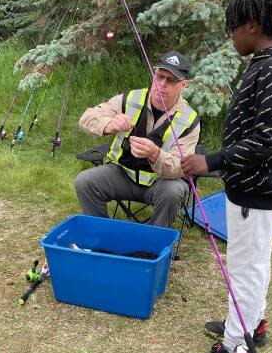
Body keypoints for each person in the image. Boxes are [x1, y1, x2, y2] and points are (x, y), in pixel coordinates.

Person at [181, 0, 272, 353]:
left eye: (233, 28)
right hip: (252, 187)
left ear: (252, 26)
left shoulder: (271, 68)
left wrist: (211, 161)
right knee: (253, 262)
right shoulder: (270, 62)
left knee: (245, 267)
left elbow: (269, 138)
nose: (231, 36)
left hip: (256, 189)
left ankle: (237, 347)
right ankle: (251, 322)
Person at [74, 51, 200, 228]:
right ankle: (101, 236)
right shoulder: (130, 98)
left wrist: (155, 154)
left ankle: (152, 245)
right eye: (159, 76)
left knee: (174, 191)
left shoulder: (190, 119)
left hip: (160, 183)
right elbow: (86, 117)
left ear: (183, 85)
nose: (162, 84)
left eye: (170, 80)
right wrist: (108, 124)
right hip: (122, 174)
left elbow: (182, 167)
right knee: (85, 181)